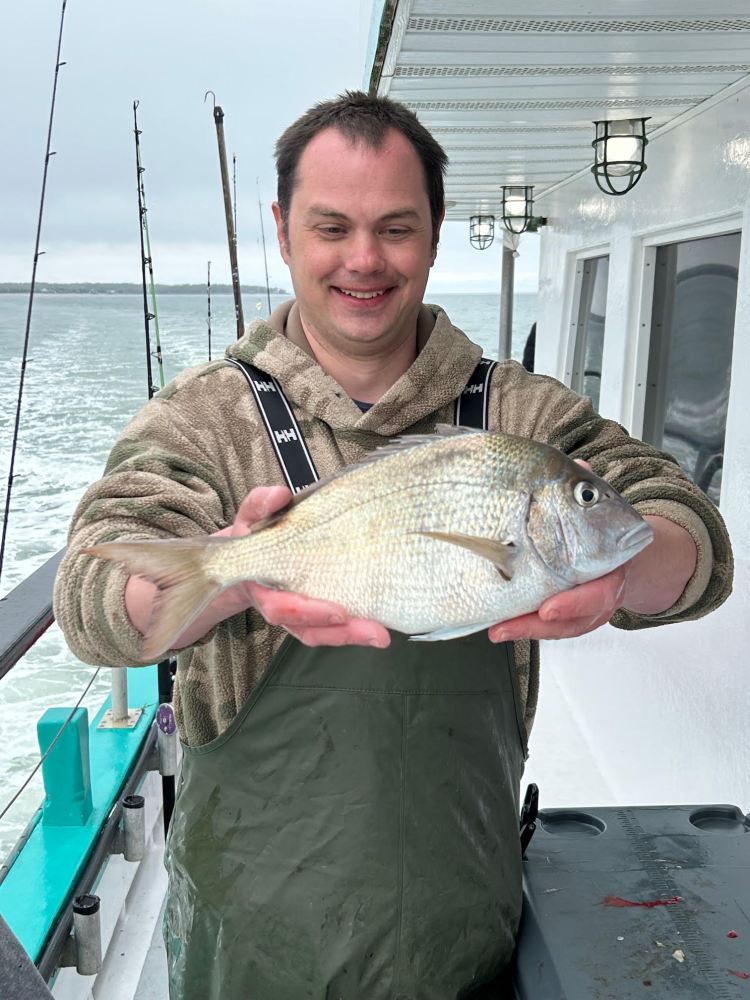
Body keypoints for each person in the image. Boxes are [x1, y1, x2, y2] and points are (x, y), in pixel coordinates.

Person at [53, 91, 733, 1000]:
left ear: (436, 232)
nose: (364, 261)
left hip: (461, 921)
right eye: (331, 226)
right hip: (249, 943)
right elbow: (92, 592)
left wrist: (621, 577)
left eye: (395, 228)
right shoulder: (203, 419)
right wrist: (226, 576)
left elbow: (686, 533)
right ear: (284, 231)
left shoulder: (520, 418)